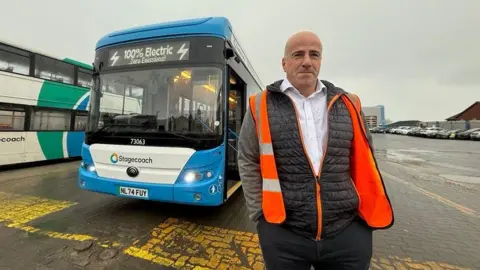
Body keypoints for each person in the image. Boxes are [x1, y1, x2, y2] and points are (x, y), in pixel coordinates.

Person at [237, 31, 394, 270]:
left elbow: (365, 157)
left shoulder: (348, 103)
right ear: (284, 63)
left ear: (320, 61)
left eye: (314, 55)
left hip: (347, 232)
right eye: (298, 54)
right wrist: (260, 215)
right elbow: (248, 158)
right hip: (284, 232)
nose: (307, 61)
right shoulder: (260, 104)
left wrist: (361, 224)